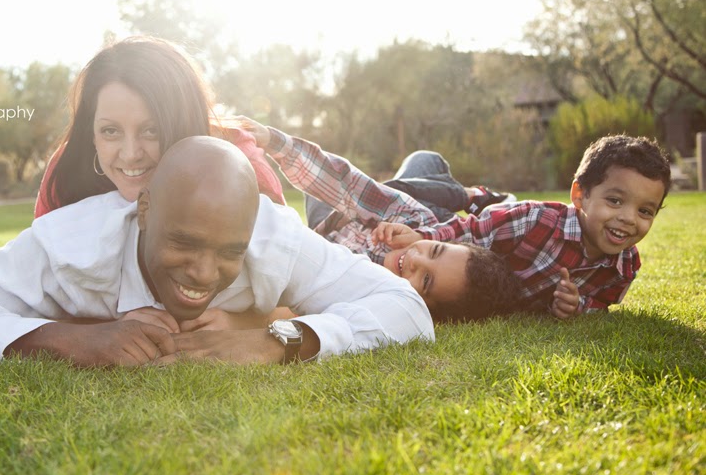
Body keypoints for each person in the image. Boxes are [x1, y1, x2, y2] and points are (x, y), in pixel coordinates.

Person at [0, 136, 434, 367]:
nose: (204, 272)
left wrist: (280, 340)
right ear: (145, 211)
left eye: (229, 252)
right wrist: (66, 340)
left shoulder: (274, 236)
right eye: (184, 243)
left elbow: (407, 310)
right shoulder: (67, 243)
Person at [239, 117, 522, 323]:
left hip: (327, 226)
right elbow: (348, 186)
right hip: (419, 215)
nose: (415, 260)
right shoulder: (415, 223)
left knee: (400, 181)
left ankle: (452, 195)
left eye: (425, 280)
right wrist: (273, 141)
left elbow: (291, 307)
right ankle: (469, 196)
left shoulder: (371, 294)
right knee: (424, 159)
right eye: (434, 250)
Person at [372, 134, 672, 318]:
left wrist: (577, 305)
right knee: (406, 178)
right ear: (580, 196)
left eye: (645, 210)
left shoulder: (625, 266)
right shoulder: (535, 220)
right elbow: (471, 231)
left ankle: (475, 195)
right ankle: (472, 196)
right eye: (616, 201)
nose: (629, 219)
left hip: (486, 284)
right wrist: (423, 236)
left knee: (425, 160)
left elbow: (600, 304)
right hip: (455, 238)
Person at [34, 36, 284, 218]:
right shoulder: (69, 170)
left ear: (183, 121)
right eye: (110, 131)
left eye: (151, 130)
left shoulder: (240, 167)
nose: (131, 154)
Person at [305, 150, 515, 228]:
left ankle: (471, 198)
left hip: (339, 220)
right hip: (360, 230)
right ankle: (471, 197)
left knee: (423, 159)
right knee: (388, 194)